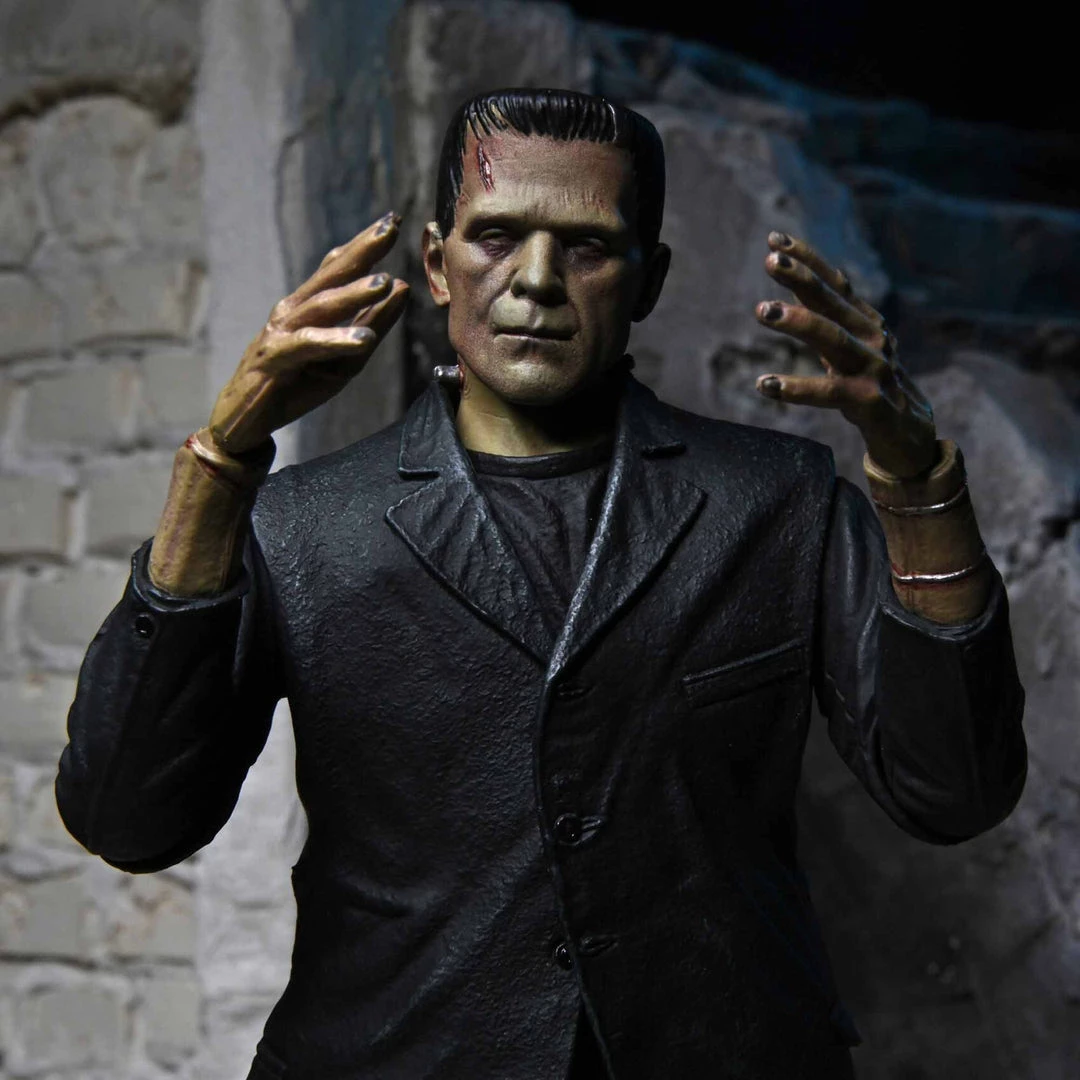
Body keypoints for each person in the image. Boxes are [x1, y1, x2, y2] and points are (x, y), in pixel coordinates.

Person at [56, 89, 1026, 1079]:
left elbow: (954, 792)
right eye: (496, 236)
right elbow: (127, 819)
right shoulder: (302, 524)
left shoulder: (779, 503)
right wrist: (218, 465)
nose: (534, 281)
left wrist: (919, 485)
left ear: (648, 280)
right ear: (437, 264)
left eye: (588, 247)